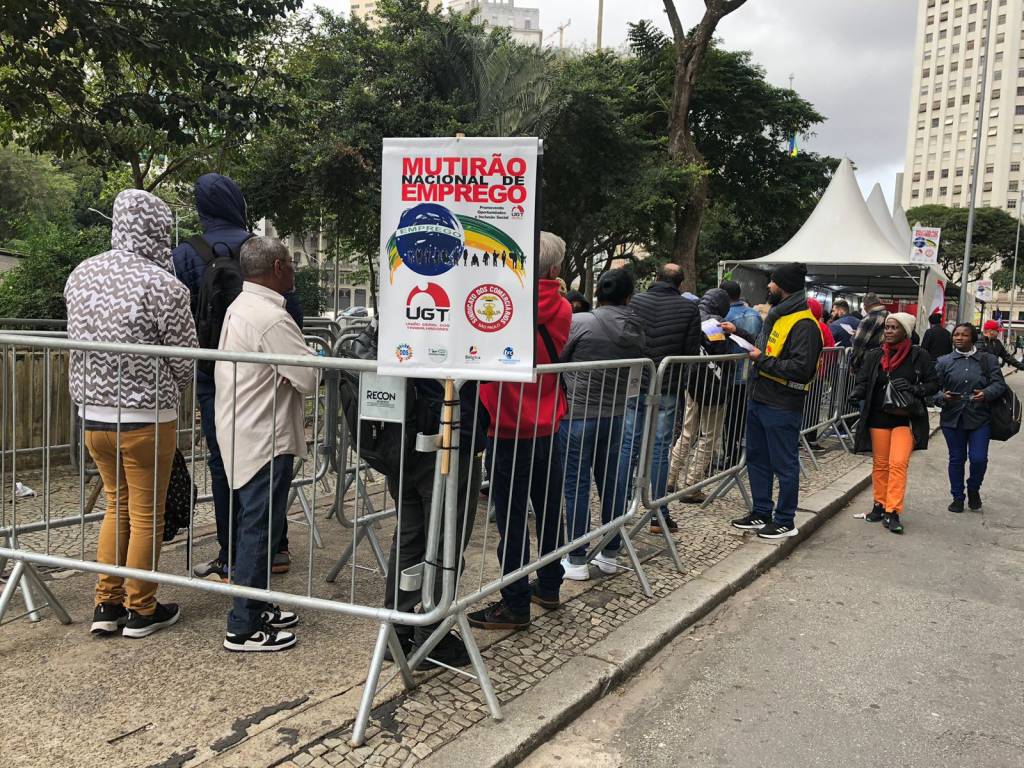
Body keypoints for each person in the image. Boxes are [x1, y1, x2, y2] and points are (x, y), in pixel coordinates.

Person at [65, 189, 198, 638]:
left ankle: (107, 603)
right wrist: (174, 394)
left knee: (114, 505)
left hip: (93, 415)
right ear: (159, 229)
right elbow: (184, 357)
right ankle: (142, 608)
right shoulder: (164, 285)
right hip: (147, 416)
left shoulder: (82, 274)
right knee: (147, 514)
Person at [175, 173, 301, 582]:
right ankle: (274, 548)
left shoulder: (187, 253)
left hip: (214, 374)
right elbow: (290, 308)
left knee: (225, 461)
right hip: (271, 367)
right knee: (271, 461)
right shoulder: (260, 249)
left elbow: (181, 317)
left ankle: (232, 555)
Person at [215, 237, 319, 652]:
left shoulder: (243, 306)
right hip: (263, 435)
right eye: (291, 264)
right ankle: (242, 625)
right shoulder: (271, 319)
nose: (294, 271)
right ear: (277, 267)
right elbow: (309, 378)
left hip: (245, 429)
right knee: (258, 527)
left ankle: (256, 605)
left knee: (258, 523)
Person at [468, 232, 571, 631]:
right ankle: (549, 585)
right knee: (548, 512)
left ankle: (514, 602)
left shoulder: (501, 303)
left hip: (507, 425)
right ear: (555, 268)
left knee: (512, 521)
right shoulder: (561, 309)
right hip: (547, 422)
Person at [384, 378, 486, 667]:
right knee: (445, 542)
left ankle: (397, 630)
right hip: (451, 436)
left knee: (408, 537)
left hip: (402, 434)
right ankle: (432, 636)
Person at [558, 269, 645, 581]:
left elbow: (558, 359)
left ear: (599, 295)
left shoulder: (580, 323)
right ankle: (610, 552)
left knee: (576, 485)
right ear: (628, 296)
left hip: (578, 414)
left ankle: (577, 557)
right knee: (612, 482)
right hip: (617, 414)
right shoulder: (637, 328)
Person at [730, 263, 823, 539]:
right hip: (761, 398)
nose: (768, 286)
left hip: (782, 403)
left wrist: (763, 361)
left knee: (784, 464)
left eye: (772, 282)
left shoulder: (804, 324)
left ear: (782, 287)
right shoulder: (780, 317)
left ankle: (785, 520)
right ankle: (761, 512)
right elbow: (769, 348)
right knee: (758, 459)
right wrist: (741, 334)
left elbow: (800, 368)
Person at [616, 263, 701, 535]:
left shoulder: (636, 301)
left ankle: (619, 507)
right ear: (680, 284)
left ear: (656, 278)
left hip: (637, 380)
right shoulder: (689, 308)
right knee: (660, 447)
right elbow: (689, 351)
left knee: (629, 443)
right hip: (667, 384)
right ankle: (659, 512)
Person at [849, 313, 939, 534]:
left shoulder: (920, 356)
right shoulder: (875, 355)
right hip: (878, 417)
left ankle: (893, 511)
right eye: (887, 327)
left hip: (905, 418)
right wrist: (857, 393)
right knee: (880, 464)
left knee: (898, 464)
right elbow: (863, 380)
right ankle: (879, 505)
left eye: (893, 328)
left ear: (905, 331)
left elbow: (934, 383)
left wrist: (915, 389)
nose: (888, 331)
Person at [668, 287, 754, 503]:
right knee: (708, 437)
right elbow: (723, 356)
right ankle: (691, 485)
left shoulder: (693, 317)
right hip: (714, 388)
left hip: (692, 384)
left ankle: (669, 478)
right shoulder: (718, 325)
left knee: (687, 433)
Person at [935, 323, 1007, 513]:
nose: (959, 338)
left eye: (964, 335)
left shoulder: (988, 360)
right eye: (956, 335)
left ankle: (974, 488)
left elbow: (1000, 385)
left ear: (973, 338)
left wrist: (986, 393)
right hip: (953, 418)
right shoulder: (944, 362)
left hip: (980, 417)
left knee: (979, 459)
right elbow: (932, 389)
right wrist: (943, 397)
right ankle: (957, 497)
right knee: (957, 459)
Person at [721, 280, 763, 466]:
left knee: (730, 417)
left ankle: (732, 453)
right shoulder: (755, 315)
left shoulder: (725, 316)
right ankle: (745, 451)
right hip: (752, 371)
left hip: (732, 373)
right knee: (745, 414)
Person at [802, 298, 835, 450]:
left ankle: (799, 436)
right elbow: (832, 350)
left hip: (800, 374)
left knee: (800, 406)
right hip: (817, 374)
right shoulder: (823, 327)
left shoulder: (801, 326)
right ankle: (810, 437)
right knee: (813, 407)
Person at [851, 292, 889, 370]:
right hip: (885, 358)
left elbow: (858, 343)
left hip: (868, 361)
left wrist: (853, 363)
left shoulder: (867, 319)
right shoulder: (889, 315)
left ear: (865, 306)